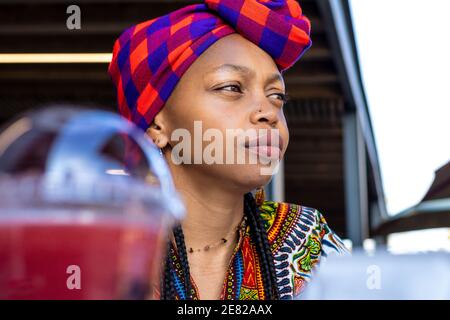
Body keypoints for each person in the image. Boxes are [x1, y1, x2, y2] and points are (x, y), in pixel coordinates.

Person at [108, 0, 348, 300]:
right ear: (157, 125)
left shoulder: (307, 240)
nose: (269, 112)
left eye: (277, 96)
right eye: (231, 87)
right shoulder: (96, 249)